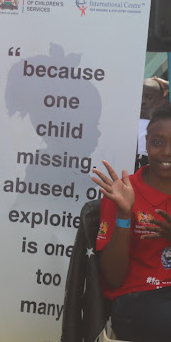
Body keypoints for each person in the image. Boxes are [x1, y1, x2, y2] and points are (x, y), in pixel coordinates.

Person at [92, 102, 171, 342]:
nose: (167, 152)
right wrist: (125, 215)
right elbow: (114, 279)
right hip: (138, 298)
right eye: (158, 142)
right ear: (146, 143)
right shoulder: (126, 192)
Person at [137, 78, 167, 170]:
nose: (143, 101)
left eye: (149, 97)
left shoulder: (165, 126)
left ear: (161, 101)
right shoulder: (124, 122)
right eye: (140, 96)